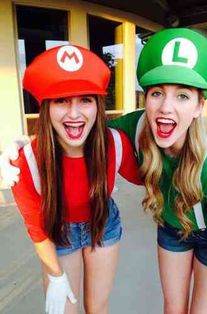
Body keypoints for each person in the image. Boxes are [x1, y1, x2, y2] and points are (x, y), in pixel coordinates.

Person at [2, 28, 207, 314]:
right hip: (92, 230)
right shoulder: (130, 130)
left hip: (185, 233)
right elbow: (37, 229)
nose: (166, 108)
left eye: (183, 97)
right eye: (157, 93)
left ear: (200, 105)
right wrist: (24, 148)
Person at [0, 44, 141, 314]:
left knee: (97, 307)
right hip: (57, 232)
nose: (74, 114)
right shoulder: (24, 162)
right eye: (61, 100)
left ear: (98, 106)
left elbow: (149, 176)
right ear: (46, 108)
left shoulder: (114, 144)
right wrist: (55, 275)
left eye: (85, 99)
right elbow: (36, 228)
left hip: (103, 224)